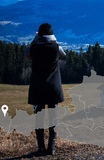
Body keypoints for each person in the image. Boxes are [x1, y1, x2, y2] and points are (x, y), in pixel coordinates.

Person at [25, 23, 66, 156]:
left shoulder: (35, 48)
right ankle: (52, 148)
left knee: (39, 117)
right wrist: (54, 41)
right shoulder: (56, 47)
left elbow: (26, 55)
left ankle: (41, 147)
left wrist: (34, 40)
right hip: (53, 87)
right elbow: (63, 55)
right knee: (53, 117)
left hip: (38, 86)